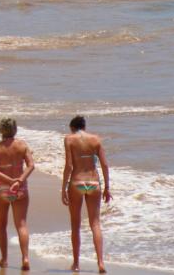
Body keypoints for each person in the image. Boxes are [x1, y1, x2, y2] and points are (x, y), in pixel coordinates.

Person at [62, 115, 112, 274]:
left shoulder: (69, 139)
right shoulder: (96, 139)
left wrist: (63, 187)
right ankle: (101, 262)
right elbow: (104, 164)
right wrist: (107, 187)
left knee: (75, 225)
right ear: (84, 127)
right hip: (94, 183)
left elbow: (69, 166)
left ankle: (76, 263)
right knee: (95, 224)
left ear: (72, 127)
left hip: (77, 182)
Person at [0, 118, 35, 271]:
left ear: (1, 130)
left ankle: (4, 259)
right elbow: (31, 165)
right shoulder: (22, 146)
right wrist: (19, 180)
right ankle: (25, 258)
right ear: (15, 130)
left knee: (1, 225)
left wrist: (9, 181)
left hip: (2, 189)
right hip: (20, 189)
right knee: (21, 225)